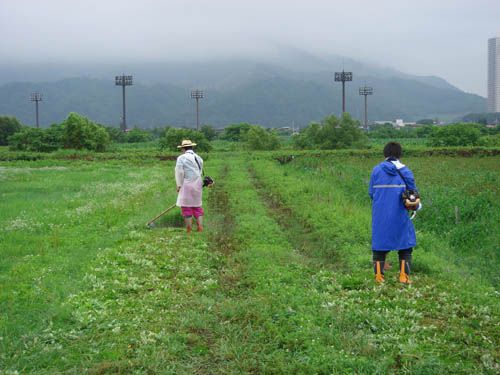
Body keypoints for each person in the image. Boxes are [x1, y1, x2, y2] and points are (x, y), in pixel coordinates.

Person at [368, 142, 421, 284]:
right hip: (400, 215)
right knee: (405, 245)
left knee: (379, 245)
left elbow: (371, 193)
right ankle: (404, 277)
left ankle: (379, 277)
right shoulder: (406, 171)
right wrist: (416, 206)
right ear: (400, 154)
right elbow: (413, 194)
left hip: (380, 216)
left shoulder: (376, 170)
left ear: (385, 154)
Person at [175, 139, 204, 233]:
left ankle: (189, 229)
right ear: (191, 147)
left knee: (186, 206)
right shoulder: (199, 158)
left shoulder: (182, 158)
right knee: (196, 206)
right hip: (198, 184)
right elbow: (199, 172)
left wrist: (179, 185)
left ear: (183, 148)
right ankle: (200, 227)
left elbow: (179, 172)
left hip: (187, 184)